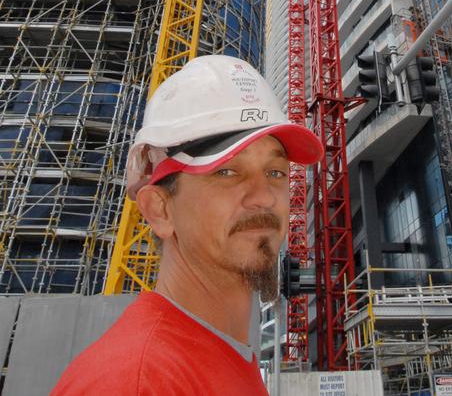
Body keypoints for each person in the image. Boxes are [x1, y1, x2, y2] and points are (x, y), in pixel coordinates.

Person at [52, 55, 323, 395]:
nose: (264, 197)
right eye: (227, 172)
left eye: (275, 172)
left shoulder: (222, 358)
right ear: (160, 210)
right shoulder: (136, 382)